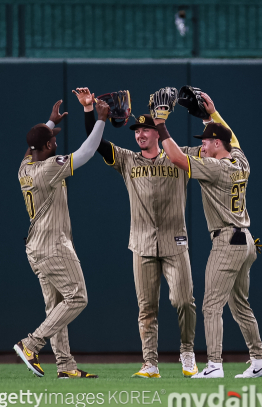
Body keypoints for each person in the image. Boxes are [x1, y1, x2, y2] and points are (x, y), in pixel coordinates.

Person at [73, 87, 200, 378]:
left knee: (184, 301)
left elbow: (215, 147)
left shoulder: (179, 158)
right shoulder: (128, 160)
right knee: (147, 308)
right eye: (136, 131)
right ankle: (150, 362)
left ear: (157, 132)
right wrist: (88, 110)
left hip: (175, 242)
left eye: (145, 130)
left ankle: (187, 351)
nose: (139, 135)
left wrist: (207, 116)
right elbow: (96, 143)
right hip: (141, 243)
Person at [152, 92, 262, 379]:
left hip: (227, 241)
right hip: (245, 240)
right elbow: (235, 142)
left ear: (217, 144)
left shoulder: (216, 168)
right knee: (239, 304)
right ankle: (259, 360)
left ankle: (215, 364)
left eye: (205, 140)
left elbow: (180, 160)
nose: (201, 145)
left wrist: (161, 126)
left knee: (210, 305)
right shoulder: (240, 162)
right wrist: (211, 115)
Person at [14, 99, 110, 379]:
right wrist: (100, 119)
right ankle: (31, 344)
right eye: (52, 140)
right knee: (78, 297)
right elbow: (87, 151)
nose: (55, 143)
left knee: (56, 306)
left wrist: (50, 122)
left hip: (35, 247)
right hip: (53, 245)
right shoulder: (48, 168)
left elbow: (35, 145)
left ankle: (65, 365)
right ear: (47, 148)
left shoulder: (25, 167)